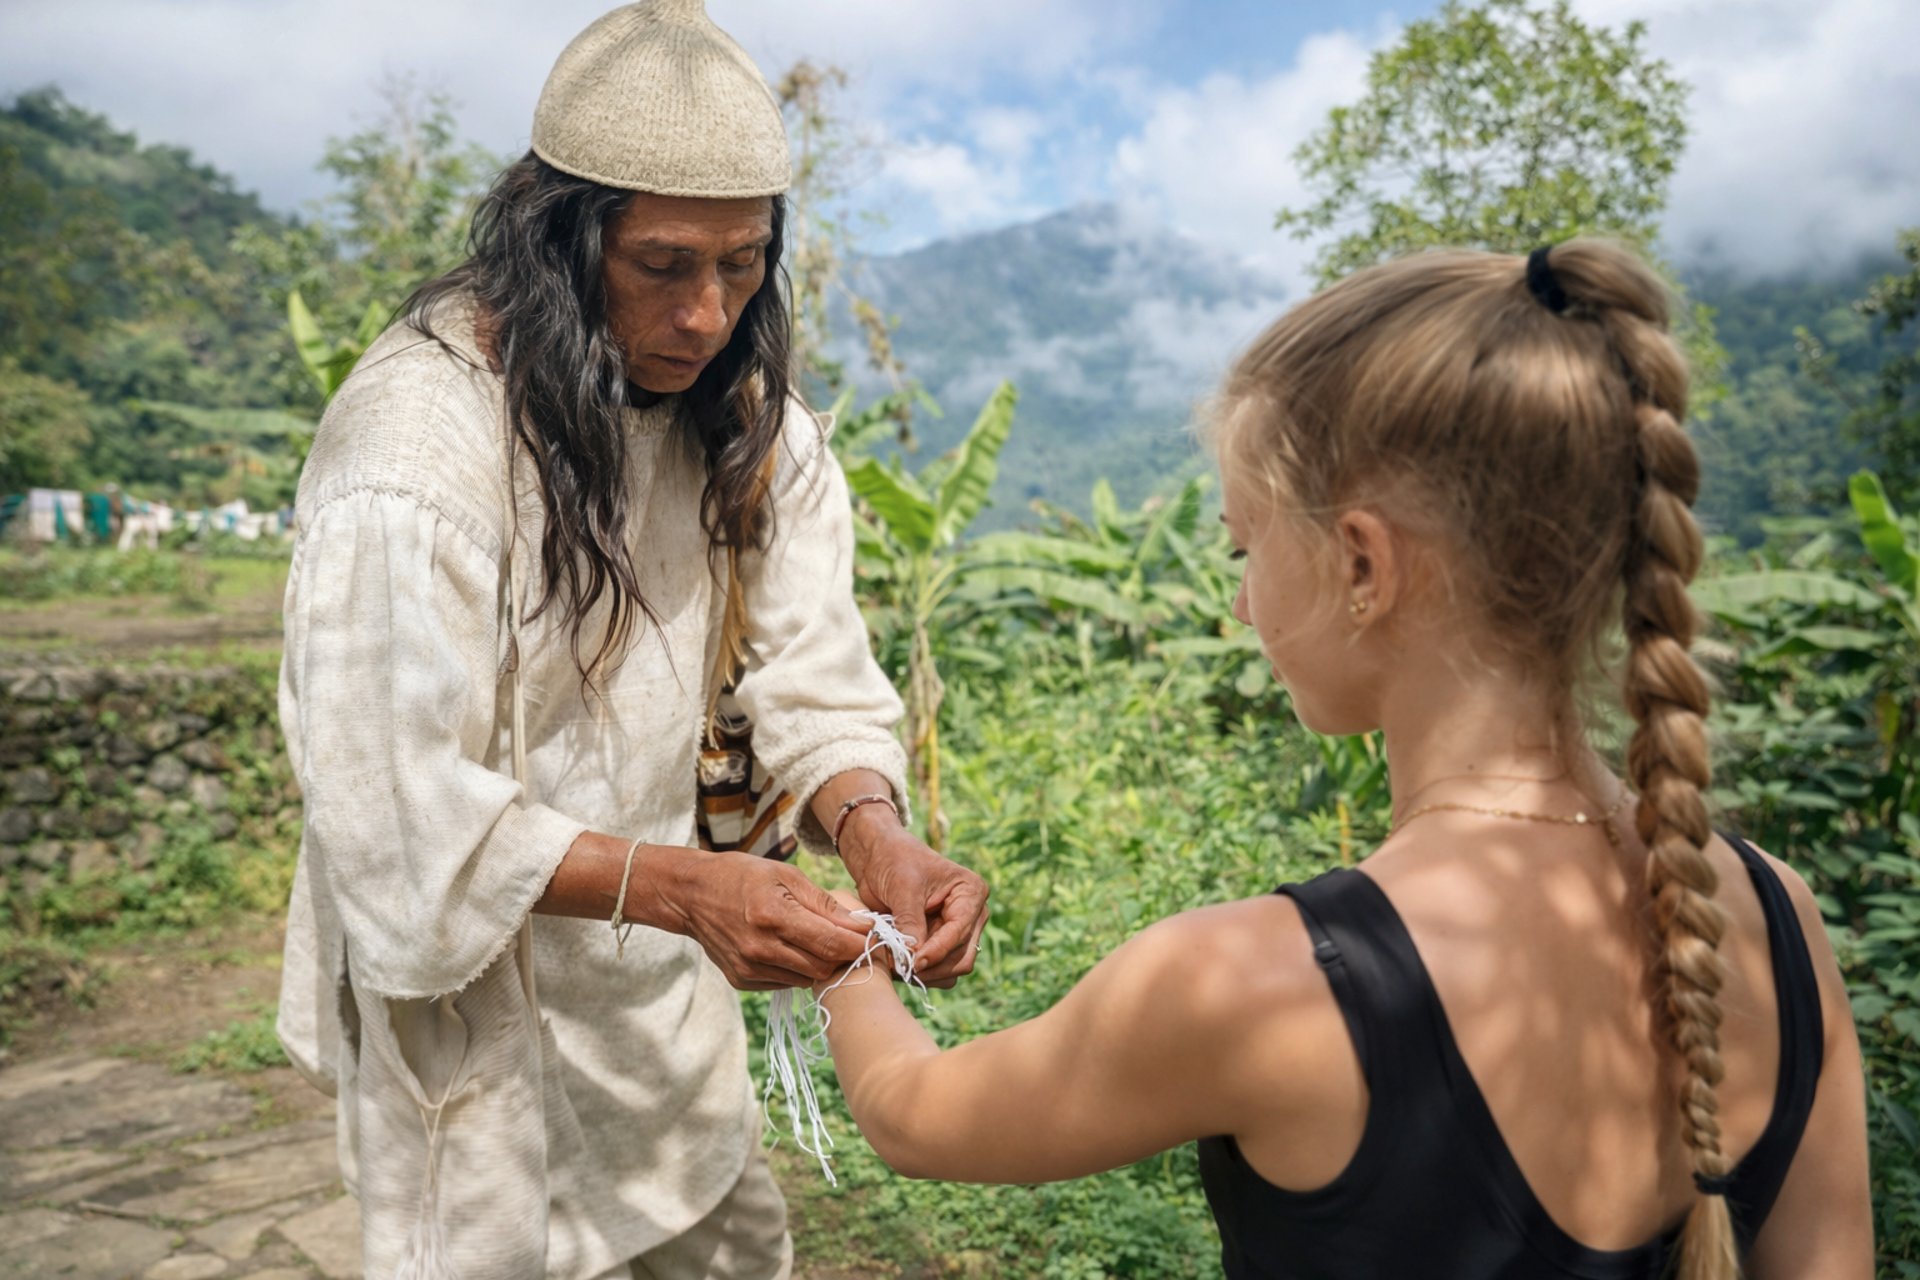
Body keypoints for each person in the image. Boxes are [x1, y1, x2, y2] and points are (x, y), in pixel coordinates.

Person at [812, 240, 1874, 1277]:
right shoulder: (1777, 915)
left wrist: (839, 952)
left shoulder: (1253, 980)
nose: (1239, 601)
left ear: (1362, 561)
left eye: (1245, 546)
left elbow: (916, 1113)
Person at [273, 3, 988, 1277]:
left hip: (663, 1009)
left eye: (742, 262)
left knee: (718, 1233)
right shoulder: (414, 455)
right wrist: (679, 887)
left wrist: (876, 829)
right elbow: (396, 817)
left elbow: (810, 674)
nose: (709, 314)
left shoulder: (751, 432)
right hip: (476, 1017)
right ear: (559, 241)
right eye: (662, 265)